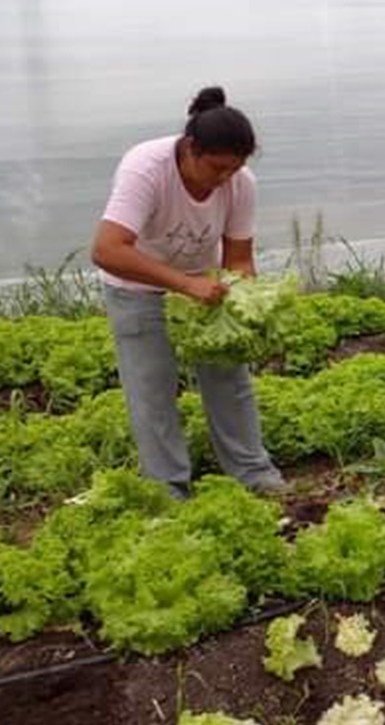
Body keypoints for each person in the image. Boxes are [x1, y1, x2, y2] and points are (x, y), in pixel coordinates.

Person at [90, 86, 286, 499]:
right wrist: (185, 284)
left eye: (234, 169)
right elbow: (107, 250)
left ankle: (254, 472)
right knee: (152, 391)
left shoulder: (239, 182)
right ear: (190, 149)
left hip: (202, 288)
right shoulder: (146, 169)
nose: (224, 179)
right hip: (136, 287)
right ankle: (169, 488)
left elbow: (238, 258)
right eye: (217, 168)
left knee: (230, 380)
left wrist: (246, 303)